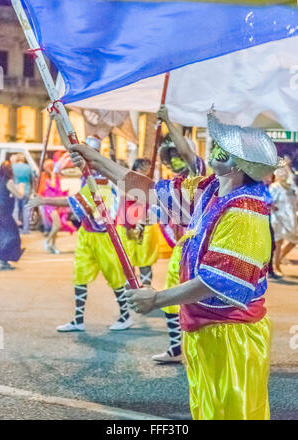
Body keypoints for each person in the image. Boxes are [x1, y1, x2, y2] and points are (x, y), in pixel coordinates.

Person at [69, 108, 278, 420]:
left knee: (234, 413)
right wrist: (94, 159)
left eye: (222, 145)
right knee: (207, 411)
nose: (213, 148)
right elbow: (147, 191)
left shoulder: (245, 212)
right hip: (203, 331)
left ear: (237, 164)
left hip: (233, 335)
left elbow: (218, 281)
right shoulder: (209, 189)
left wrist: (157, 299)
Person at [28, 137, 131, 332]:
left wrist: (43, 200)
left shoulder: (100, 177)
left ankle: (125, 316)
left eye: (83, 153)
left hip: (104, 235)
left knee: (115, 277)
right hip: (87, 232)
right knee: (80, 276)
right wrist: (58, 117)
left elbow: (76, 201)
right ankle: (78, 320)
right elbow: (69, 147)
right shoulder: (87, 174)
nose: (77, 157)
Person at [151, 105, 206, 363]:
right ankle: (176, 348)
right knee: (172, 297)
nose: (175, 156)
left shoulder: (201, 174)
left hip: (201, 248)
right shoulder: (176, 181)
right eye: (170, 152)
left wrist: (168, 122)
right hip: (182, 248)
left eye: (177, 151)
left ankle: (202, 348)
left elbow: (187, 153)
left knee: (198, 300)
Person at [116, 158, 159, 288]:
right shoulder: (127, 182)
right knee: (128, 259)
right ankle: (129, 289)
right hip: (127, 227)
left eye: (148, 167)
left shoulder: (151, 184)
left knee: (145, 259)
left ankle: (146, 289)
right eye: (142, 167)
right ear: (135, 168)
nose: (145, 170)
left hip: (145, 227)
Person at [40, 158, 76, 254]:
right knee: (57, 225)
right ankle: (47, 241)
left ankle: (53, 245)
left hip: (55, 204)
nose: (53, 168)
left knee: (56, 226)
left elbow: (58, 189)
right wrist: (52, 175)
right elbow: (51, 188)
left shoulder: (56, 177)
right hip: (49, 205)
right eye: (50, 167)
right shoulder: (44, 178)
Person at [269, 167, 298, 275]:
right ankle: (276, 267)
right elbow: (269, 201)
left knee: (294, 240)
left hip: (290, 219)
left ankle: (279, 259)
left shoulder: (291, 187)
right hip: (278, 218)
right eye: (281, 173)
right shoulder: (274, 187)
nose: (283, 175)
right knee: (278, 242)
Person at [0, 161, 24, 270]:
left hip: (1, 213)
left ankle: (3, 260)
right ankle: (2, 259)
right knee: (12, 237)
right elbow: (20, 196)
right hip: (6, 214)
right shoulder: (9, 182)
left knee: (4, 237)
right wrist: (22, 187)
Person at [12, 153, 34, 234]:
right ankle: (26, 229)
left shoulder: (13, 167)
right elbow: (32, 179)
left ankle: (15, 228)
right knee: (26, 209)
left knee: (15, 209)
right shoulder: (28, 167)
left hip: (16, 189)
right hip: (26, 189)